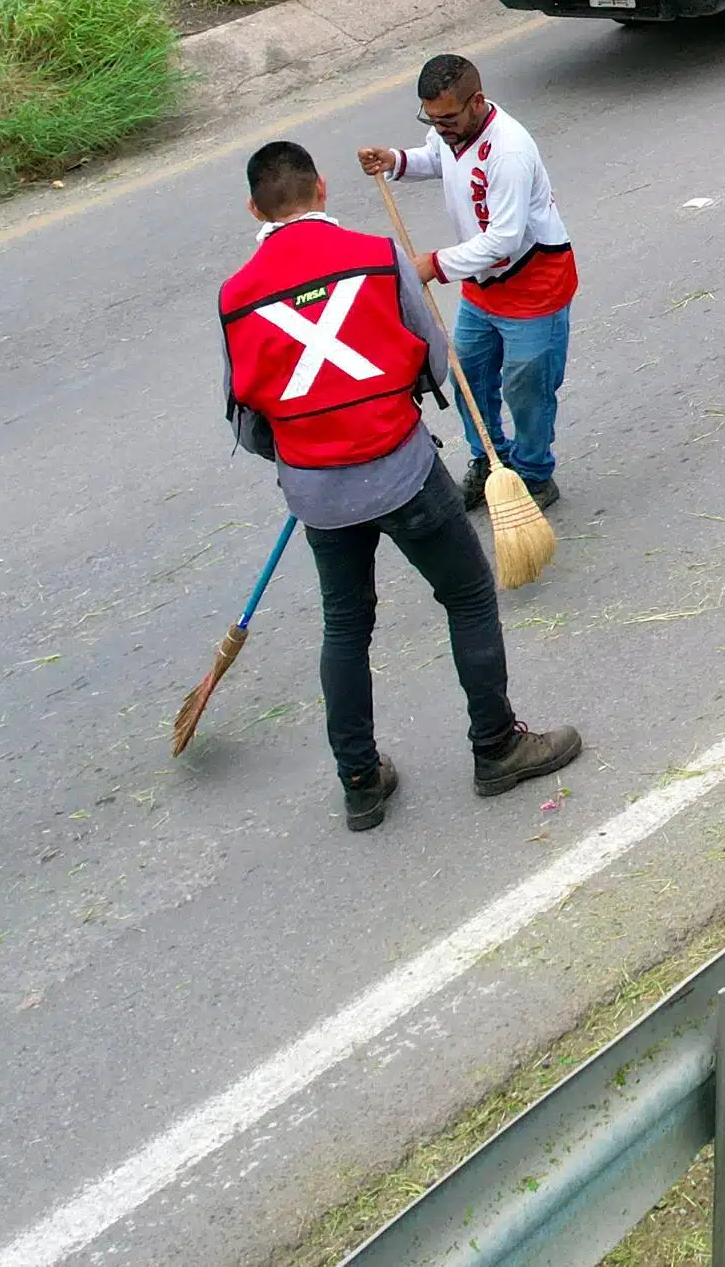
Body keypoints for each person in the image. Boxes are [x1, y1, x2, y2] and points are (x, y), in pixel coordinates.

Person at [221, 140, 581, 829]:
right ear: (321, 190)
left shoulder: (235, 297)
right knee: (469, 594)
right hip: (400, 470)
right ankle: (497, 745)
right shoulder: (377, 257)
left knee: (346, 625)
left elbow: (247, 422)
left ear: (253, 210)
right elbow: (433, 363)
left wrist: (305, 450)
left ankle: (360, 780)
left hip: (317, 493)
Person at [360, 54, 577, 510]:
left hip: (533, 283)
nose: (439, 128)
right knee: (469, 380)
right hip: (481, 284)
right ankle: (490, 460)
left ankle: (535, 473)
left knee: (527, 388)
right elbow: (436, 158)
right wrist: (395, 161)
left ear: (475, 102)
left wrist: (433, 265)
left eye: (447, 118)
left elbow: (505, 240)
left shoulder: (509, 151)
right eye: (431, 119)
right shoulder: (450, 131)